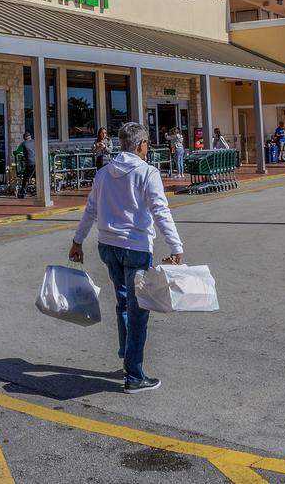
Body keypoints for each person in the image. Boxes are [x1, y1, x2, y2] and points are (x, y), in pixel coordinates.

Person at [70, 122, 183, 394]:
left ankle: (126, 354)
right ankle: (134, 375)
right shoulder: (147, 173)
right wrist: (175, 246)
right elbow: (160, 211)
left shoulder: (104, 173)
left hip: (108, 246)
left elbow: (91, 211)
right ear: (141, 144)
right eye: (146, 143)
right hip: (135, 248)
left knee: (123, 302)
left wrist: (77, 240)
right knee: (139, 311)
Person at [15, 132, 36, 198]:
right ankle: (38, 190)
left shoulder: (23, 144)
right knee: (37, 177)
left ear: (24, 138)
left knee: (26, 179)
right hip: (38, 163)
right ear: (30, 136)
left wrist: (15, 153)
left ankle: (22, 193)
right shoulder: (35, 142)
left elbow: (17, 152)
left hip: (30, 163)